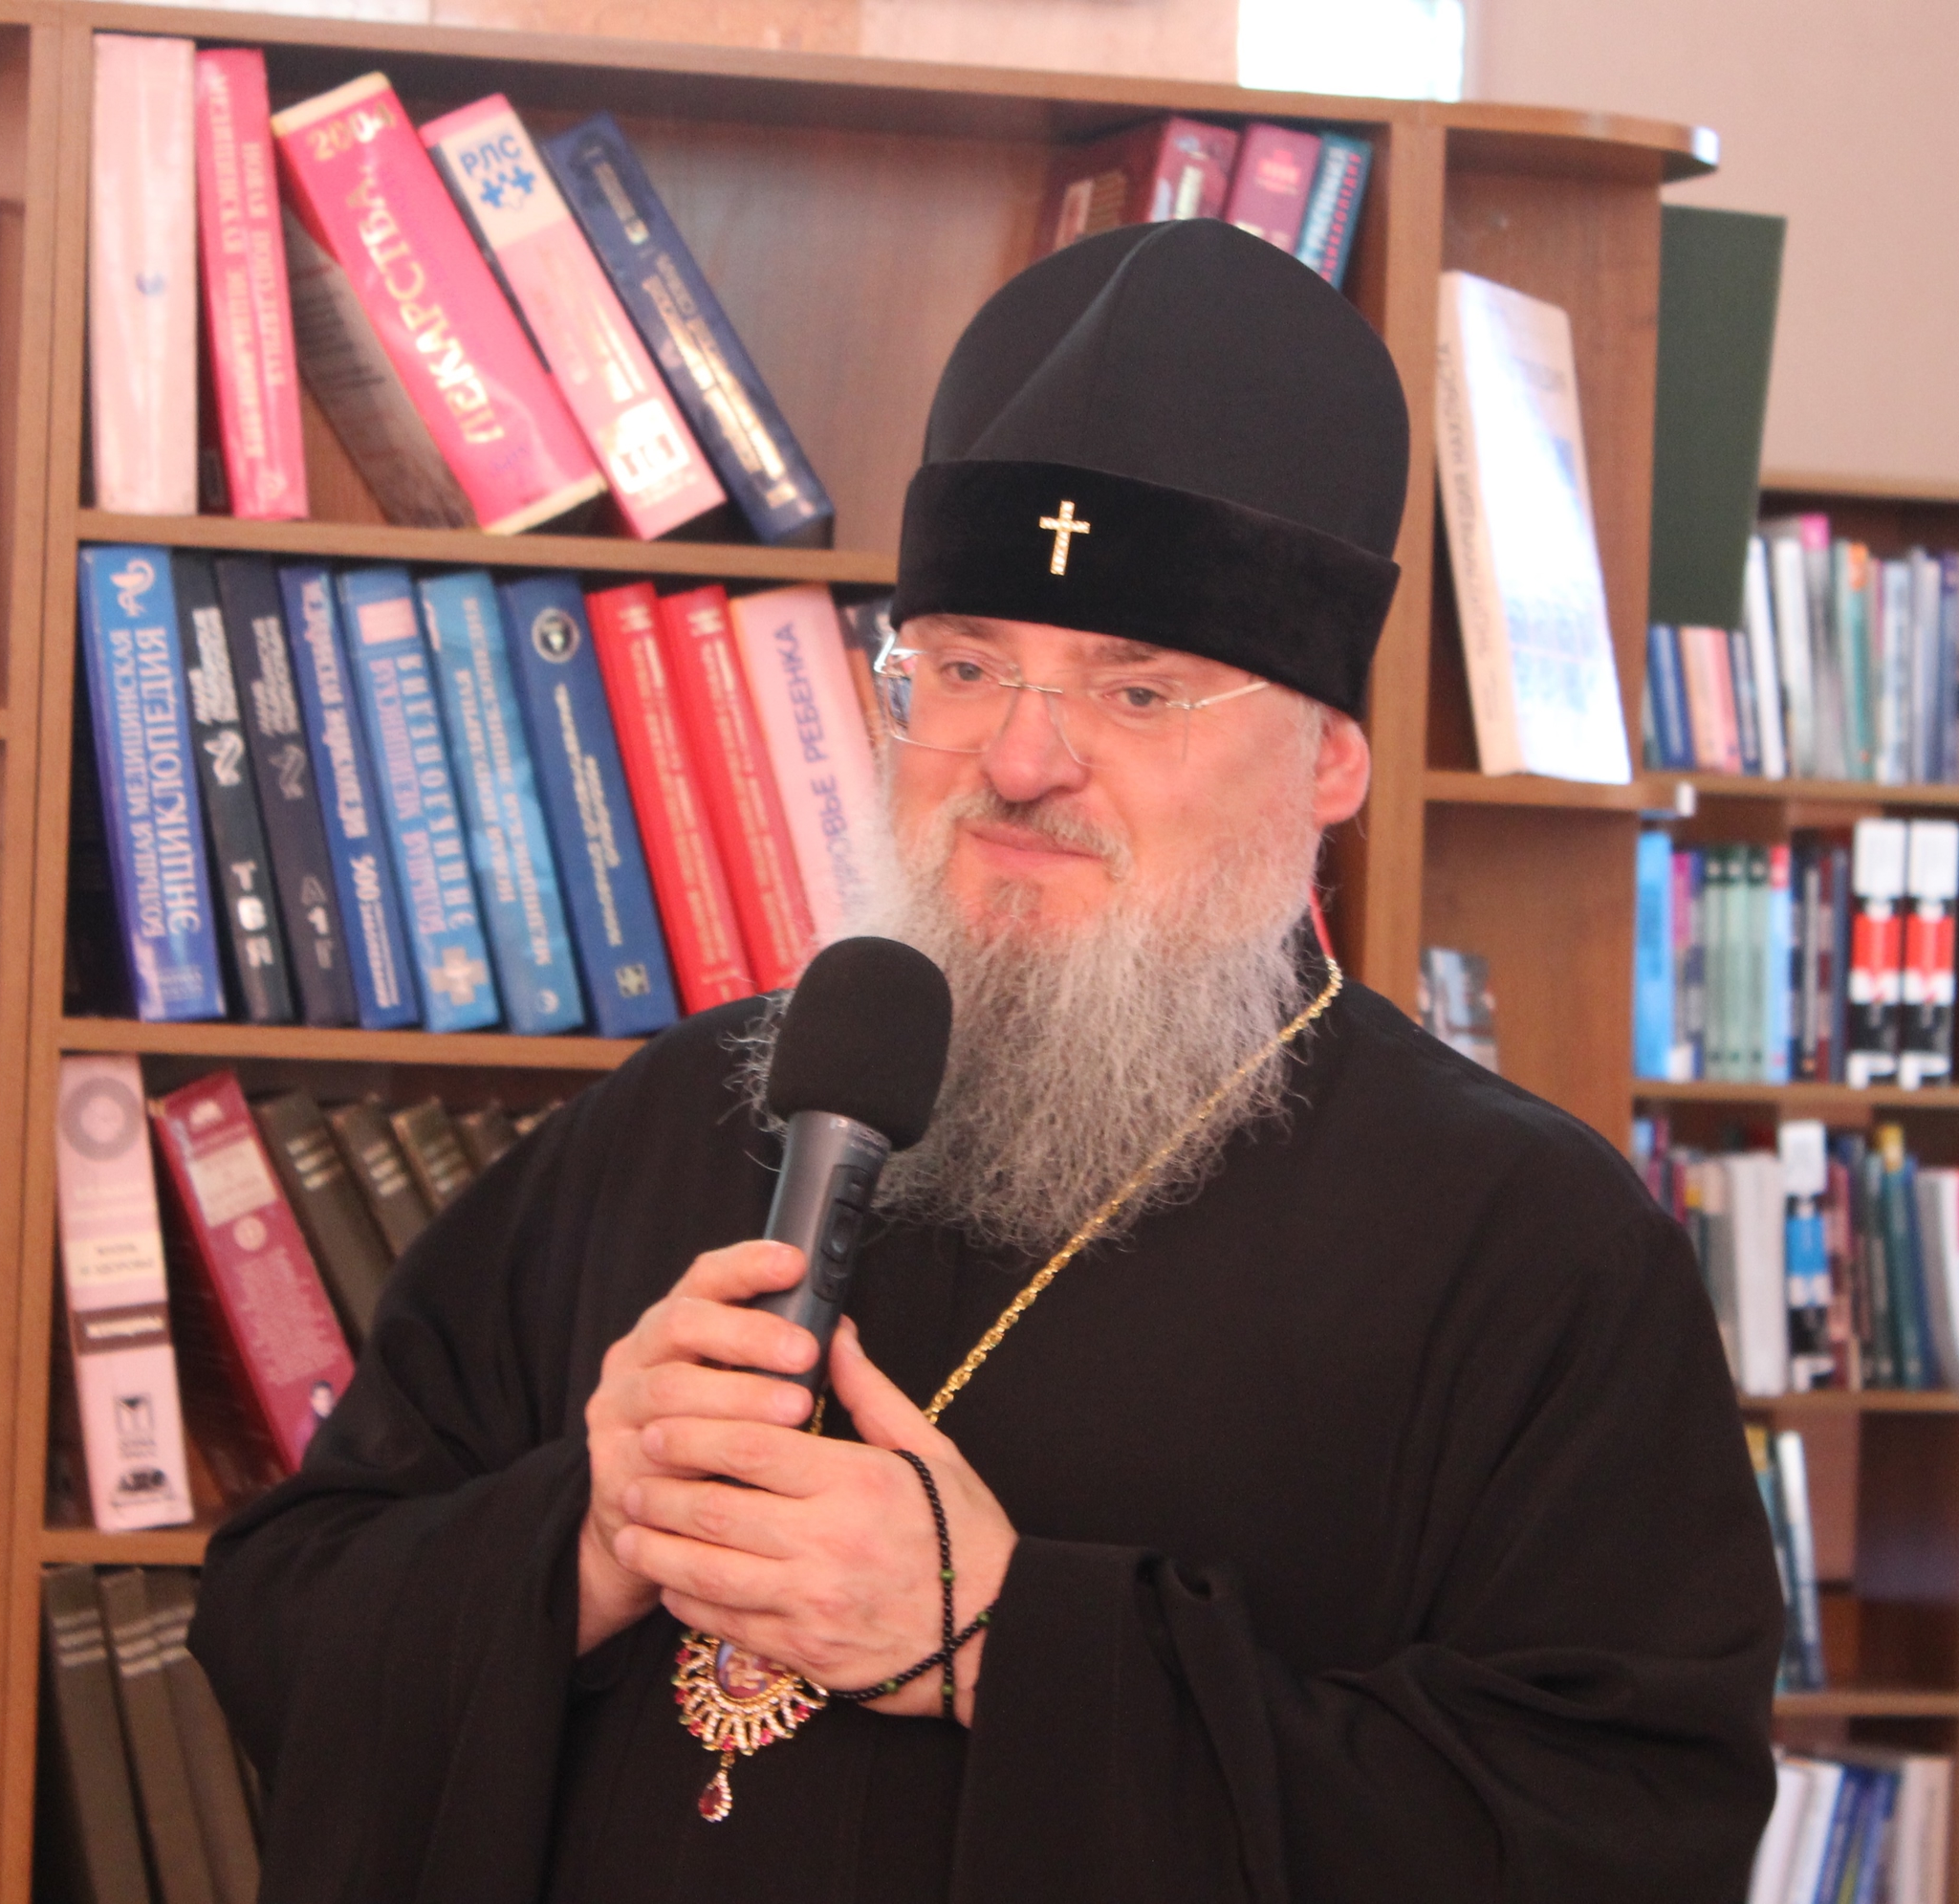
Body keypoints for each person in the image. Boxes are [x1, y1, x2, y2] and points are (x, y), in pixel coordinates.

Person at [193, 220, 1782, 1903]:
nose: (1019, 760)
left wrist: (1006, 1650)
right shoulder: (679, 1114)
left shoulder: (1528, 1246)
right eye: (963, 667)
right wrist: (588, 1537)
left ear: (1329, 759)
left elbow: (1617, 1833)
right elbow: (284, 1613)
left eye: (1138, 693)